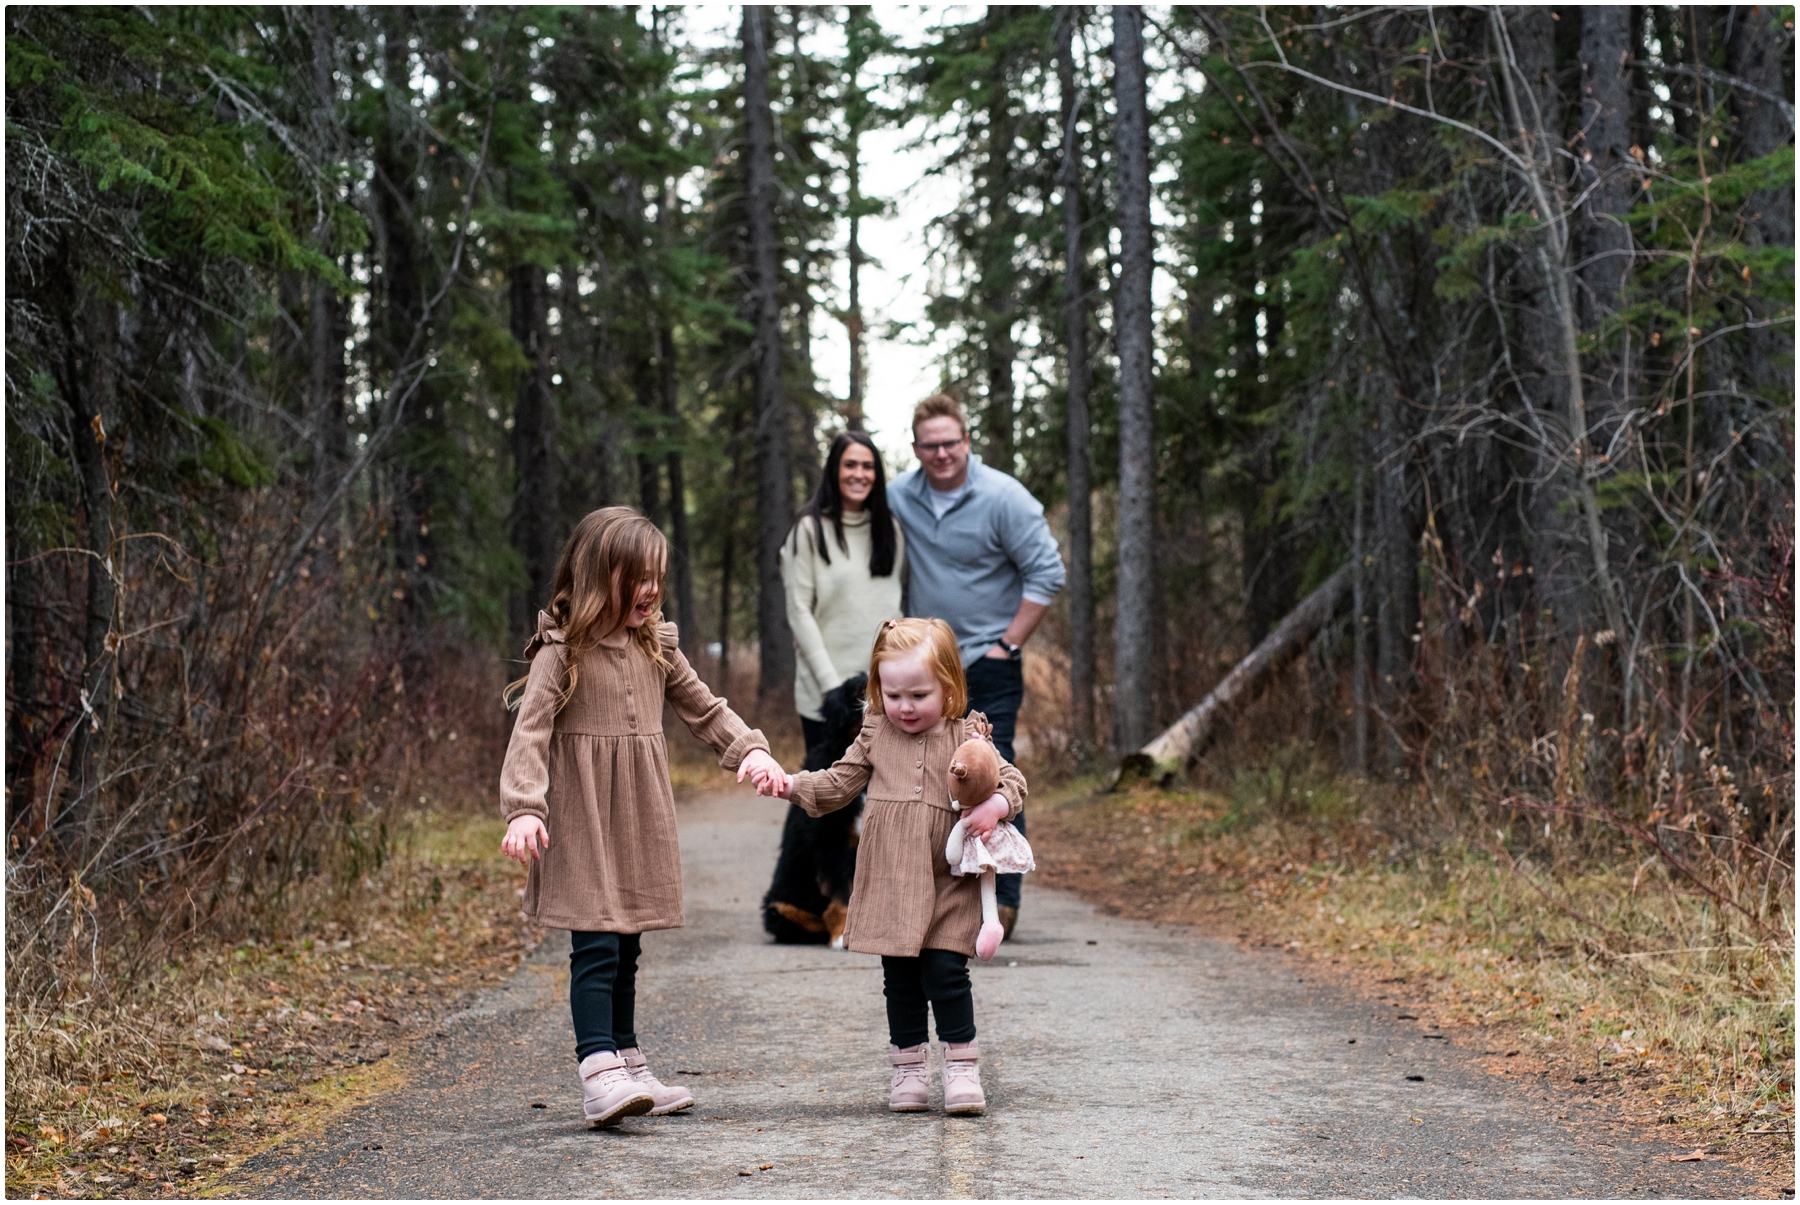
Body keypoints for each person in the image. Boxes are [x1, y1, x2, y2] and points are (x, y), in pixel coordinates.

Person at [498, 507, 789, 1128]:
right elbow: (530, 732)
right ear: (599, 577)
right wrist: (524, 809)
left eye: (657, 577)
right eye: (637, 578)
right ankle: (597, 1069)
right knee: (597, 944)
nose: (652, 591)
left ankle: (627, 1061)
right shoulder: (562, 650)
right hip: (581, 819)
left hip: (635, 812)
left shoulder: (655, 644)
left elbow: (706, 710)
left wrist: (751, 749)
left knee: (627, 942)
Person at [761, 618, 1027, 1115]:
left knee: (946, 972)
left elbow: (1010, 780)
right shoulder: (873, 736)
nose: (904, 707)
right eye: (892, 693)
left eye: (919, 695)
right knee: (900, 977)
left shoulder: (965, 737)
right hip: (890, 881)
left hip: (949, 881)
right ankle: (908, 1071)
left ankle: (961, 1068)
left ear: (948, 688)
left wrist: (996, 805)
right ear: (877, 688)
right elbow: (837, 785)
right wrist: (792, 785)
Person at [886, 395, 1065, 937]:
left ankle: (1003, 900)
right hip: (925, 669)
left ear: (967, 441)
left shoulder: (1004, 497)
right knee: (934, 778)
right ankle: (951, 898)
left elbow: (1047, 573)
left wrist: (1007, 645)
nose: (941, 454)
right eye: (929, 445)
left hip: (989, 661)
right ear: (915, 448)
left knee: (992, 773)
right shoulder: (898, 496)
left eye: (950, 443)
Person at [781, 431, 906, 757]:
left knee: (889, 803)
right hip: (829, 697)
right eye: (850, 464)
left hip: (887, 695)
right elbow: (798, 610)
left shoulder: (889, 529)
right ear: (834, 469)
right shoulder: (808, 531)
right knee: (828, 803)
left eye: (868, 466)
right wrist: (829, 686)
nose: (859, 474)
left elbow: (896, 606)